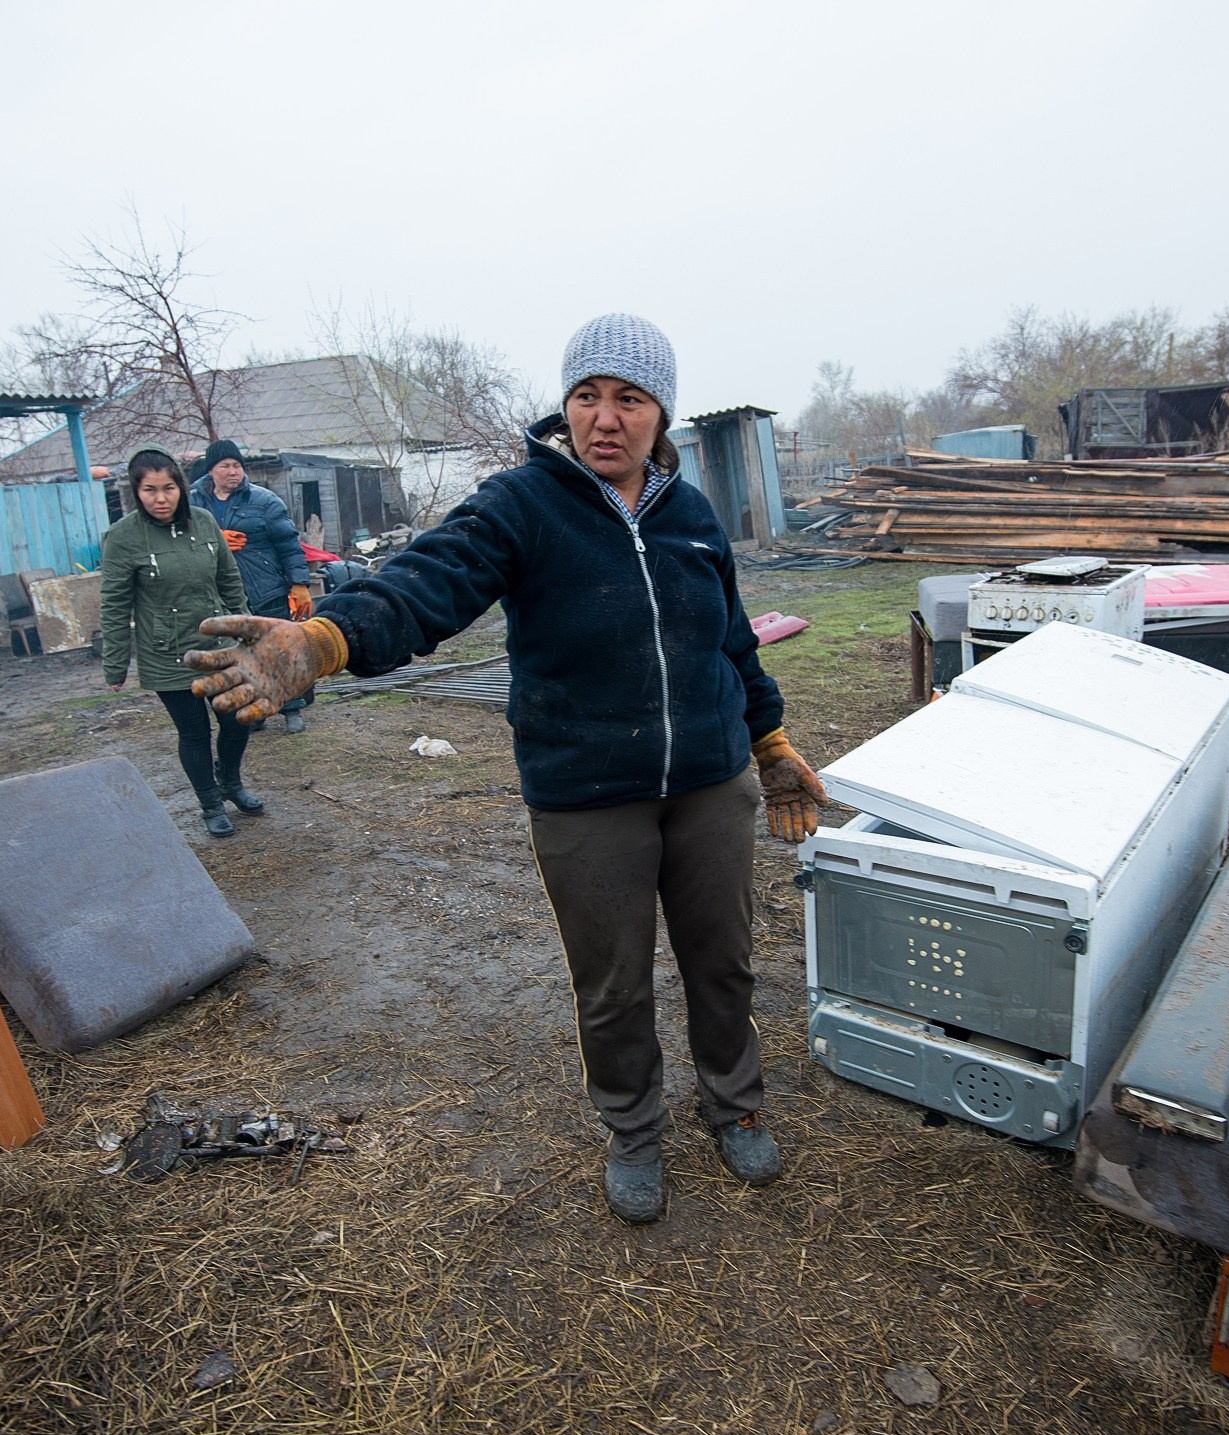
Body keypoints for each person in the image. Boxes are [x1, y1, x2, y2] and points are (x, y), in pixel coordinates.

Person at [185, 314, 829, 1224]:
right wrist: (330, 637)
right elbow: (430, 581)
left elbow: (730, 641)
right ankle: (634, 1129)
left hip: (709, 782)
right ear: (565, 406)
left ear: (662, 415)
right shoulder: (522, 502)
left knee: (721, 964)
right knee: (612, 981)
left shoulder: (691, 515)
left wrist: (769, 744)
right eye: (586, 396)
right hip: (586, 792)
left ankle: (736, 1104)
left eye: (629, 400)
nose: (604, 418)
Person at [99, 446, 256, 838]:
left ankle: (231, 782)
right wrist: (115, 663)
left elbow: (229, 581)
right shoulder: (122, 538)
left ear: (182, 488)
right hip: (168, 653)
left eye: (168, 488)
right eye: (149, 490)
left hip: (218, 647)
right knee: (194, 733)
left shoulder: (203, 523)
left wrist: (250, 631)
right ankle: (210, 803)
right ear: (136, 492)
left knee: (237, 720)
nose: (160, 498)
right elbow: (115, 604)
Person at [191, 439, 315, 733]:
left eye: (237, 466)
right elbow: (182, 540)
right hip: (221, 593)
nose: (233, 471)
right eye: (226, 466)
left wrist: (299, 584)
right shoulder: (193, 503)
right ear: (212, 470)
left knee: (281, 651)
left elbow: (288, 543)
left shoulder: (264, 500)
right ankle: (255, 710)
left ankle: (292, 708)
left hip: (265, 586)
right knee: (239, 654)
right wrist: (214, 538)